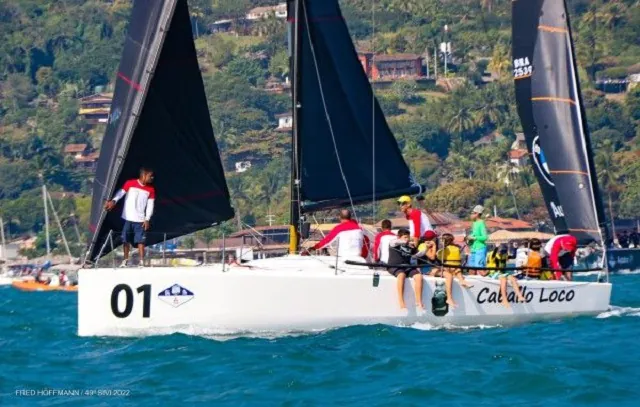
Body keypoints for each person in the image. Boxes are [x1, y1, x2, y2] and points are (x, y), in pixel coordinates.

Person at [105, 167, 156, 267]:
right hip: (128, 218)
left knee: (140, 241)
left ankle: (142, 261)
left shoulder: (151, 190)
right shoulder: (130, 183)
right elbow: (120, 193)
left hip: (140, 220)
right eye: (150, 176)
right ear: (144, 175)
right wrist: (113, 201)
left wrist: (147, 219)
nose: (152, 178)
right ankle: (125, 260)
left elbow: (150, 205)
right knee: (125, 240)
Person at [387, 228, 424, 309]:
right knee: (401, 275)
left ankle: (418, 301)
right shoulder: (393, 243)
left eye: (408, 237)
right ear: (399, 237)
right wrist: (405, 241)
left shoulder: (410, 246)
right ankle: (401, 301)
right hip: (395, 266)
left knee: (419, 277)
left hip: (407, 267)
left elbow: (418, 255)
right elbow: (395, 242)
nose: (407, 239)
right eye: (405, 237)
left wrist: (426, 248)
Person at [435, 233, 472, 308]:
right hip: (454, 268)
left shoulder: (444, 250)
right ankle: (461, 280)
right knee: (457, 269)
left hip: (449, 268)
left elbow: (438, 257)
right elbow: (461, 259)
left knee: (455, 269)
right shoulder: (456, 248)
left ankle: (460, 283)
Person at [467, 205, 488, 273]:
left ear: (477, 214)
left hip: (480, 249)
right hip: (473, 249)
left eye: (473, 213)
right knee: (471, 269)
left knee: (480, 270)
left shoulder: (481, 223)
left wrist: (474, 238)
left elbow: (485, 237)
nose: (471, 214)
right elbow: (474, 234)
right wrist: (469, 238)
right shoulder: (474, 223)